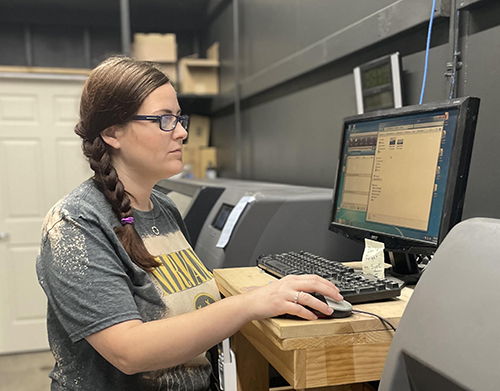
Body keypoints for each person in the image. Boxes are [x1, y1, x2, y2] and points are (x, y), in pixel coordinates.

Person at [36, 55, 343, 391]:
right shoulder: (75, 223)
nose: (182, 132)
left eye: (180, 118)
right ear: (112, 133)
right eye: (164, 120)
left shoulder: (164, 209)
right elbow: (129, 350)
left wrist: (265, 295)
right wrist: (248, 303)